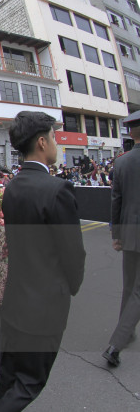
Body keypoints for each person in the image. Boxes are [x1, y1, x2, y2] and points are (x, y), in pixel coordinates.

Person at [0, 111, 86, 411]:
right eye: (55, 138)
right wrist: (70, 286)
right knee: (29, 382)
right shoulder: (57, 190)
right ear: (43, 142)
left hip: (15, 301)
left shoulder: (12, 187)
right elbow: (73, 253)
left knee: (8, 377)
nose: (57, 144)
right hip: (43, 306)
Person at [102, 110, 140, 367]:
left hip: (129, 232)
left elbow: (116, 200)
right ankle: (116, 344)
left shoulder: (122, 162)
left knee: (130, 286)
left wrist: (116, 235)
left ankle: (127, 332)